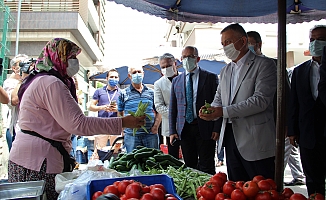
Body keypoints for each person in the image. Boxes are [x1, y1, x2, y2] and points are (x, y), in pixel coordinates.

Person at [8, 38, 145, 200]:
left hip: (32, 157)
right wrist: (123, 122)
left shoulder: (43, 79)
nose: (75, 62)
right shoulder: (51, 83)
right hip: (37, 162)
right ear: (58, 56)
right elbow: (78, 124)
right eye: (71, 57)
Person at [199, 23, 277, 181]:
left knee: (262, 189)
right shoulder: (226, 70)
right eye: (223, 44)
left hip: (256, 141)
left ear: (243, 41)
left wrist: (223, 111)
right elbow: (218, 99)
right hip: (230, 139)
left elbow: (260, 100)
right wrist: (210, 111)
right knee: (237, 188)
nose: (225, 47)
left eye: (228, 42)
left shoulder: (264, 65)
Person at [248, 30, 305, 185]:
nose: (246, 47)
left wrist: (287, 124)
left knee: (273, 165)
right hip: (250, 128)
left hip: (274, 124)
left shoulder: (274, 64)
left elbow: (287, 95)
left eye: (249, 43)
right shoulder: (240, 67)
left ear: (258, 44)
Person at [169, 46, 219, 175]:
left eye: (190, 57)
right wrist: (172, 131)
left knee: (207, 165)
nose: (187, 60)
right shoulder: (176, 81)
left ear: (197, 59)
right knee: (190, 165)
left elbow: (218, 104)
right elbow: (173, 108)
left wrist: (216, 128)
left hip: (205, 127)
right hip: (185, 129)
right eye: (184, 57)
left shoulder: (210, 78)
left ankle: (209, 191)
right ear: (180, 59)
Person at [289, 25, 326, 196]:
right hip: (307, 133)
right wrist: (292, 131)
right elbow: (293, 103)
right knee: (312, 177)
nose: (316, 43)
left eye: (321, 39)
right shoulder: (299, 71)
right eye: (312, 39)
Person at [118, 65, 161, 153]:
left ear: (143, 74)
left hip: (150, 134)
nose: (137, 74)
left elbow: (159, 110)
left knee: (153, 161)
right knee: (133, 162)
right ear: (129, 76)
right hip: (131, 135)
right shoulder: (123, 93)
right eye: (134, 72)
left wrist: (156, 127)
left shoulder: (151, 92)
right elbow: (119, 113)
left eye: (139, 72)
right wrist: (122, 129)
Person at [88, 68, 121, 158]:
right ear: (107, 78)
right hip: (101, 124)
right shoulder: (99, 91)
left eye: (116, 77)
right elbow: (91, 107)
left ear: (118, 79)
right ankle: (97, 169)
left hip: (116, 124)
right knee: (98, 151)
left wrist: (118, 109)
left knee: (115, 151)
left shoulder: (122, 93)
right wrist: (102, 107)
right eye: (111, 77)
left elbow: (125, 110)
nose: (113, 79)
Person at [154, 53, 180, 159]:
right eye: (163, 67)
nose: (166, 69)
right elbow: (159, 106)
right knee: (173, 157)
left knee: (189, 155)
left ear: (175, 63)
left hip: (188, 123)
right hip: (170, 125)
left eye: (168, 66)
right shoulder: (158, 84)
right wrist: (175, 114)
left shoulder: (185, 78)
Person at [3, 54, 30, 152]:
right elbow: (14, 100)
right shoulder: (9, 82)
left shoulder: (31, 80)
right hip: (16, 130)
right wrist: (22, 79)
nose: (26, 67)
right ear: (14, 68)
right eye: (22, 64)